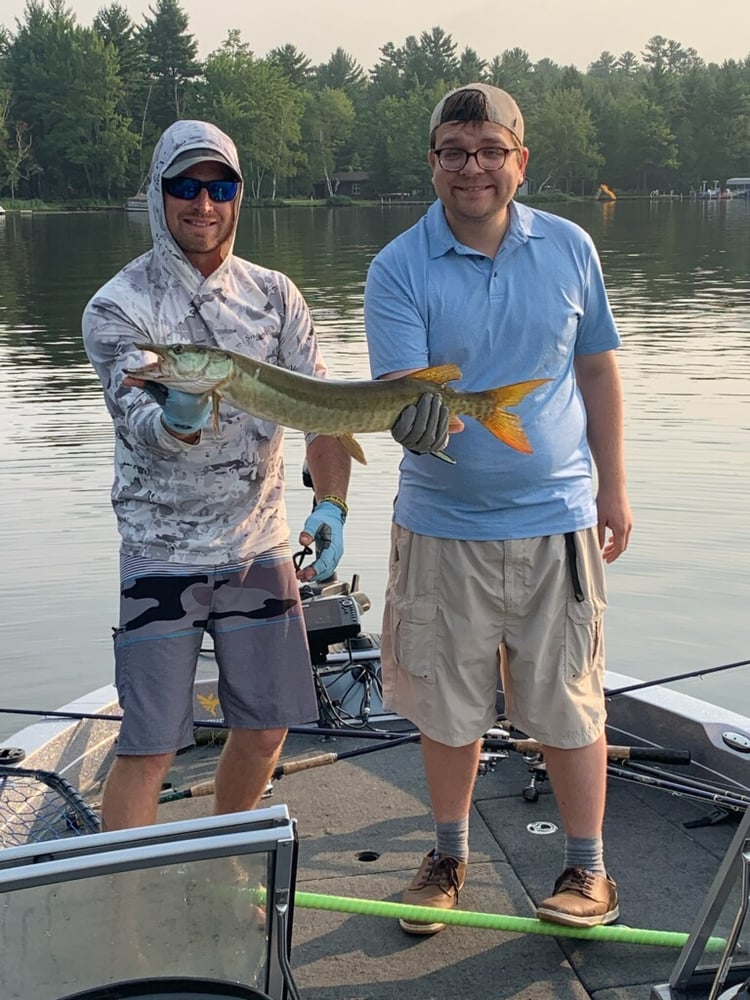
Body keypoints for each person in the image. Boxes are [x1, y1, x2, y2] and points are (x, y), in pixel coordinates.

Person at [365, 83, 633, 933]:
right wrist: (414, 420)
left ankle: (588, 871)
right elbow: (404, 403)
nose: (471, 167)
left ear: (520, 158)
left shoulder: (570, 247)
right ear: (433, 163)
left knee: (568, 699)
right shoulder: (396, 268)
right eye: (453, 151)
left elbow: (596, 369)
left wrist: (614, 485)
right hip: (442, 524)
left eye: (488, 150)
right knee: (445, 704)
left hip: (557, 517)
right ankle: (447, 858)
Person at [82, 119, 352, 831]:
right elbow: (136, 419)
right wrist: (176, 416)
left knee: (266, 730)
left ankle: (228, 865)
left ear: (239, 195)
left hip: (258, 547)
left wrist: (333, 506)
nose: (204, 204)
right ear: (159, 194)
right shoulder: (118, 306)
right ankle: (127, 912)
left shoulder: (275, 296)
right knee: (148, 748)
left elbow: (323, 412)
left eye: (220, 186)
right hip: (159, 555)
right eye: (185, 187)